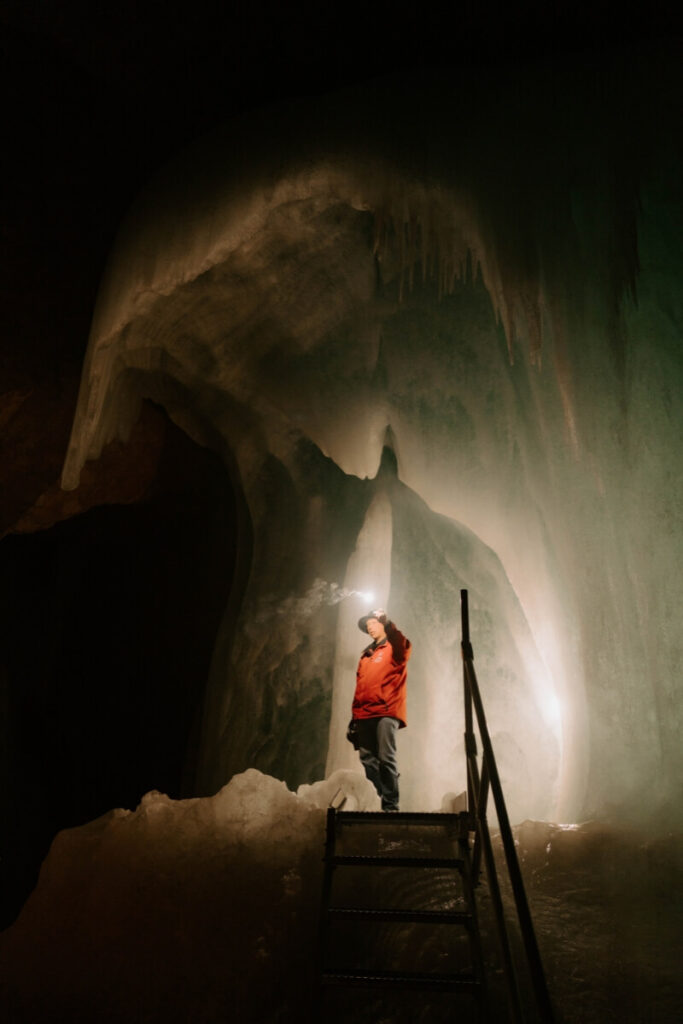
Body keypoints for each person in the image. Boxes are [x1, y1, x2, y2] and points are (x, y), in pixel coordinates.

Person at [349, 608, 411, 811]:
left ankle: (391, 806)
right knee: (367, 760)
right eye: (367, 626)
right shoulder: (365, 655)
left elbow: (401, 643)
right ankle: (387, 788)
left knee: (386, 757)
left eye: (373, 623)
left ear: (382, 624)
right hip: (364, 713)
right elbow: (360, 687)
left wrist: (390, 624)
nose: (370, 628)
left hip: (386, 710)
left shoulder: (395, 648)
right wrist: (353, 718)